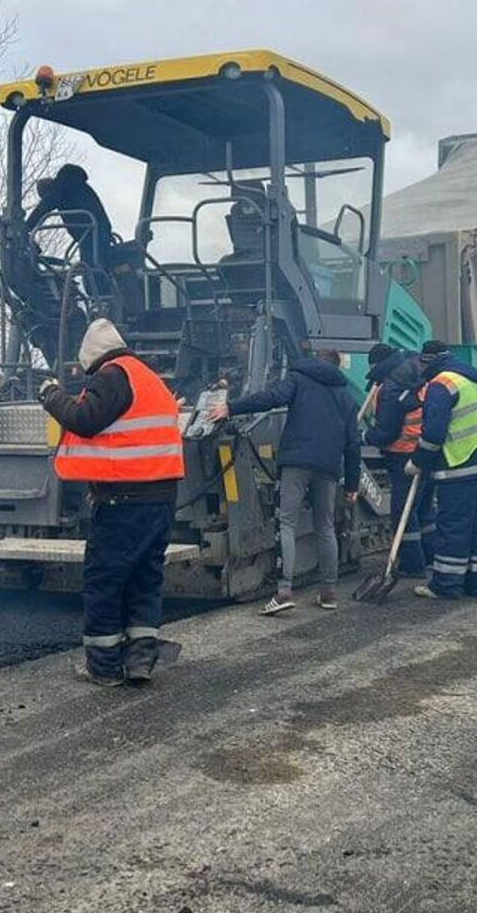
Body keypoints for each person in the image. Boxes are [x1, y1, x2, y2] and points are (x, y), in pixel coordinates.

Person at [42, 319, 185, 686]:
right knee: (144, 578)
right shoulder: (148, 378)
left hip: (125, 502)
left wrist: (52, 395)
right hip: (159, 498)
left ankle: (103, 667)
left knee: (105, 579)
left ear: (93, 356)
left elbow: (85, 419)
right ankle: (140, 660)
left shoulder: (112, 375)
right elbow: (127, 442)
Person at [208, 346, 362, 615]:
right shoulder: (346, 397)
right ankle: (328, 593)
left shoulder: (299, 378)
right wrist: (351, 485)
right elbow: (353, 446)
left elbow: (271, 398)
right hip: (328, 467)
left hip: (297, 462)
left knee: (286, 523)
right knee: (325, 527)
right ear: (337, 367)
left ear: (317, 361)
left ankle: (283, 593)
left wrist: (231, 408)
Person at [409, 340, 477, 600]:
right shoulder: (473, 379)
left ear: (427, 361)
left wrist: (418, 461)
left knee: (453, 526)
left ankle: (447, 584)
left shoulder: (441, 385)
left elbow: (434, 433)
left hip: (459, 464)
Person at [363, 343, 434, 578]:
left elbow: (387, 432)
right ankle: (429, 557)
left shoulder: (392, 386)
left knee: (402, 512)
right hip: (425, 450)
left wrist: (365, 436)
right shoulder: (415, 372)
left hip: (403, 454)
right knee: (422, 508)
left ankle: (412, 565)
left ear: (377, 365)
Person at [26, 163, 114, 272]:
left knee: (91, 271)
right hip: (97, 231)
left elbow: (45, 206)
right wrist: (108, 232)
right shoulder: (78, 186)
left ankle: (101, 287)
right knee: (100, 268)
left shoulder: (61, 185)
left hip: (89, 233)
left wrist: (27, 226)